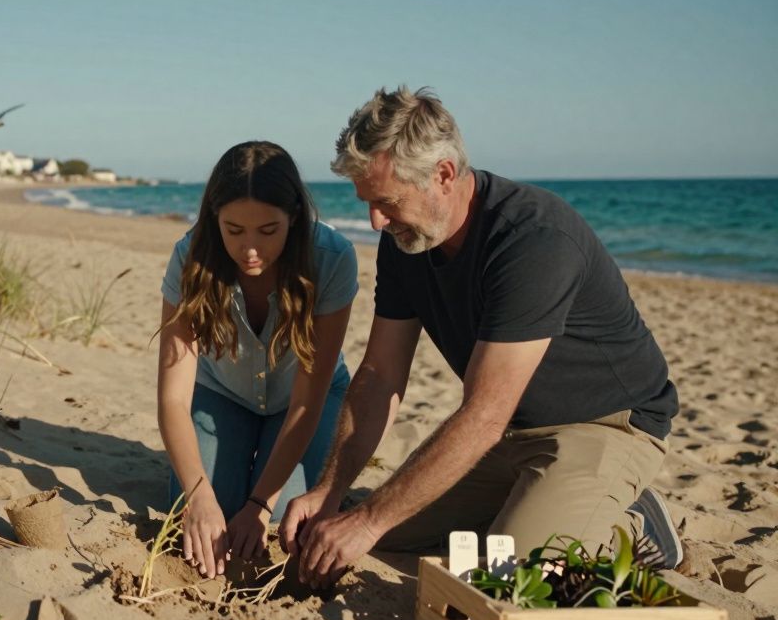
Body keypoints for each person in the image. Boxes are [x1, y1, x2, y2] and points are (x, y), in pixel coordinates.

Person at [281, 87, 683, 587]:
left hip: (603, 427)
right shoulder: (405, 239)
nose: (375, 221)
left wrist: (365, 521)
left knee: (514, 577)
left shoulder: (533, 239)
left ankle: (634, 520)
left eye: (386, 202)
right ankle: (531, 503)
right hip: (509, 433)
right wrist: (331, 491)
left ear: (443, 175)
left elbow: (484, 413)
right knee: (379, 532)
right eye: (367, 203)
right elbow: (381, 374)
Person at [157, 141, 359, 578]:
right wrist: (198, 496)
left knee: (288, 520)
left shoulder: (333, 258)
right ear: (215, 221)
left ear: (295, 219)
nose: (250, 249)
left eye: (268, 231)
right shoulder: (188, 257)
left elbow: (308, 401)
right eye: (234, 230)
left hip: (304, 402)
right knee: (200, 518)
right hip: (221, 394)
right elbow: (172, 399)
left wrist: (260, 504)